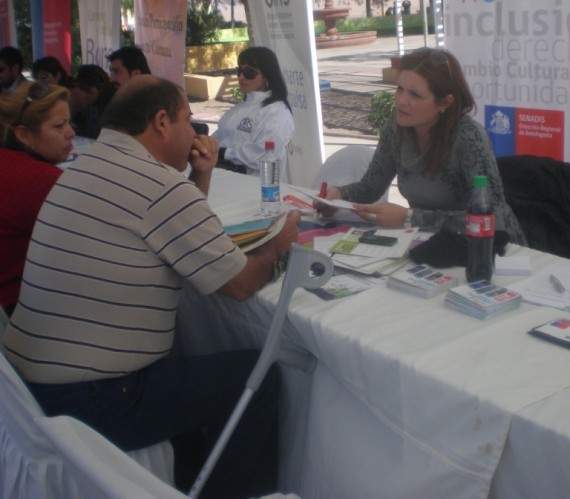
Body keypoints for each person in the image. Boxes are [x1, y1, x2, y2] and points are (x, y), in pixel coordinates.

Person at [3, 75, 300, 499]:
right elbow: (239, 283)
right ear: (161, 122)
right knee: (257, 374)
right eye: (188, 120)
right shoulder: (156, 186)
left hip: (31, 392)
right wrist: (277, 248)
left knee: (192, 365)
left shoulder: (83, 166)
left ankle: (192, 471)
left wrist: (200, 176)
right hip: (89, 399)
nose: (196, 132)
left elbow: (176, 234)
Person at [319, 47, 527, 246]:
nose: (401, 101)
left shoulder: (468, 137)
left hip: (491, 249)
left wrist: (409, 218)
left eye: (415, 95)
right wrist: (338, 194)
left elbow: (493, 215)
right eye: (399, 89)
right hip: (433, 244)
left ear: (445, 103)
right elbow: (371, 187)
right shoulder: (396, 126)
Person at [0, 81, 75, 316]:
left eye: (69, 123)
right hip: (18, 313)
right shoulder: (44, 180)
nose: (71, 132)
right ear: (23, 134)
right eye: (59, 126)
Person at [213, 46, 294, 177]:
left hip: (257, 189)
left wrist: (223, 153)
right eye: (239, 71)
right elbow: (217, 140)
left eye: (250, 73)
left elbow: (265, 155)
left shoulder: (277, 112)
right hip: (224, 180)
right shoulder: (237, 110)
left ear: (267, 76)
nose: (241, 77)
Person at [68, 64, 118, 139]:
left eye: (88, 91)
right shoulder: (87, 107)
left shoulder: (110, 106)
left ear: (100, 88)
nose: (83, 95)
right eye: (81, 89)